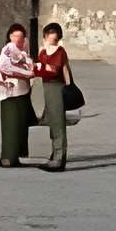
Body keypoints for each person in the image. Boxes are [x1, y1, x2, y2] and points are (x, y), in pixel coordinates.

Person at [34, 22, 73, 172]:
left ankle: (59, 158)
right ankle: (54, 154)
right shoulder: (43, 51)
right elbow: (40, 67)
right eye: (49, 37)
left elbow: (54, 70)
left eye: (54, 38)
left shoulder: (60, 52)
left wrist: (39, 68)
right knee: (52, 121)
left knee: (58, 123)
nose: (52, 40)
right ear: (45, 37)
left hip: (58, 87)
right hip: (47, 88)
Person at [0, 22, 35, 165]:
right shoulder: (8, 49)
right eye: (15, 36)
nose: (18, 39)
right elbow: (4, 67)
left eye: (21, 36)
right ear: (10, 37)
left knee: (21, 124)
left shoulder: (24, 49)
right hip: (10, 94)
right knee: (11, 124)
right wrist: (26, 74)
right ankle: (8, 157)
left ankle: (18, 153)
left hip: (23, 92)